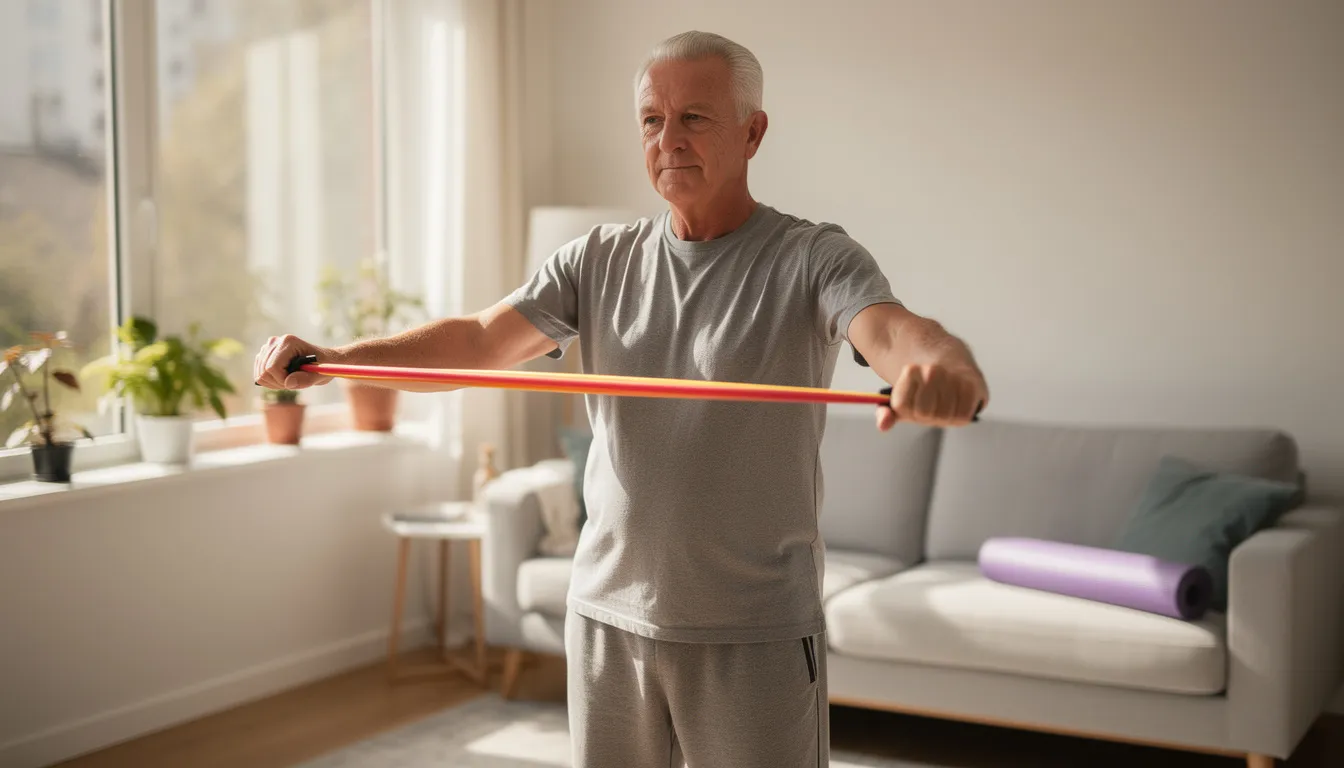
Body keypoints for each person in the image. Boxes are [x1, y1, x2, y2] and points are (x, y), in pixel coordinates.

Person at [254, 29, 989, 768]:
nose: (668, 139)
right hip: (606, 619)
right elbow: (480, 343)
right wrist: (337, 360)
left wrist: (942, 364)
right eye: (651, 120)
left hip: (753, 629)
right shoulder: (596, 260)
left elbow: (894, 332)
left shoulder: (812, 257)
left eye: (695, 117)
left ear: (753, 132)